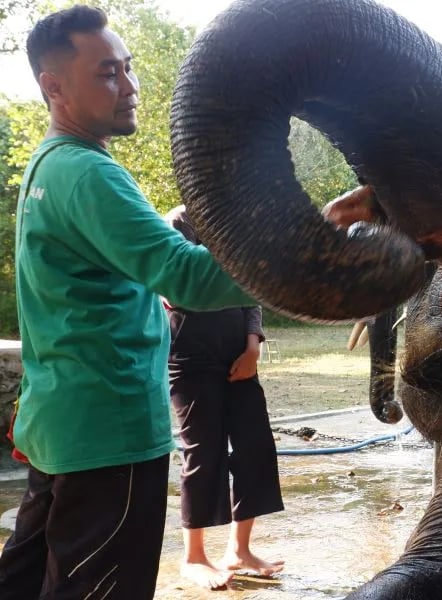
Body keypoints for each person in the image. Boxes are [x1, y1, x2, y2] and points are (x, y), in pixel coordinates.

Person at [0, 6, 259, 599]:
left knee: (24, 582)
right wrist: (311, 260)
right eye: (108, 73)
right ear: (54, 86)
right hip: (107, 432)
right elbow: (187, 275)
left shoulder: (48, 165)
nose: (131, 87)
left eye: (128, 68)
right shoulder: (88, 173)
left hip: (64, 425)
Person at [164, 205, 284, 590]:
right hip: (191, 353)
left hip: (240, 355)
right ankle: (194, 557)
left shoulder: (237, 221)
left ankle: (239, 550)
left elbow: (250, 294)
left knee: (256, 447)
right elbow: (179, 286)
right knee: (203, 451)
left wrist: (253, 347)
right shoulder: (178, 223)